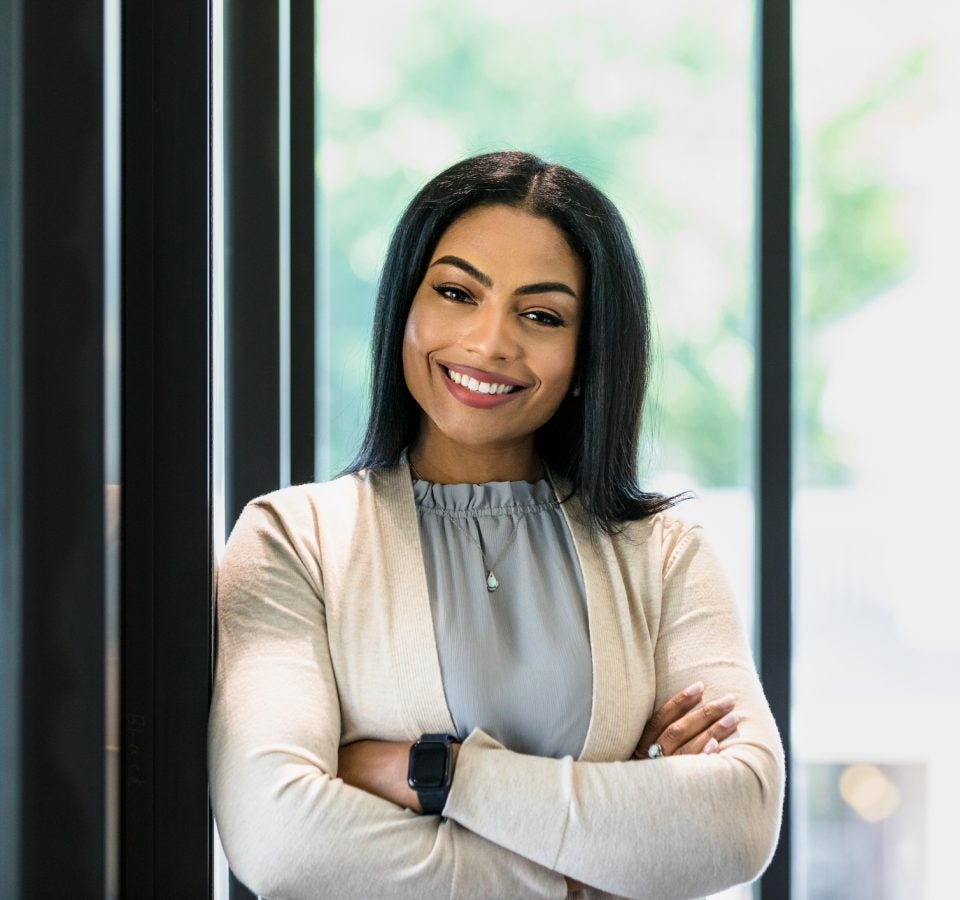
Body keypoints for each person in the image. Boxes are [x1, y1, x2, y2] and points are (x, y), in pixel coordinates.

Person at [208, 151, 784, 899]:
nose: (488, 343)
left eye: (541, 315)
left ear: (587, 354)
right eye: (455, 293)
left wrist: (435, 774)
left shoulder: (663, 556)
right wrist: (594, 866)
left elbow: (736, 822)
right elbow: (281, 839)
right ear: (404, 307)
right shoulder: (293, 541)